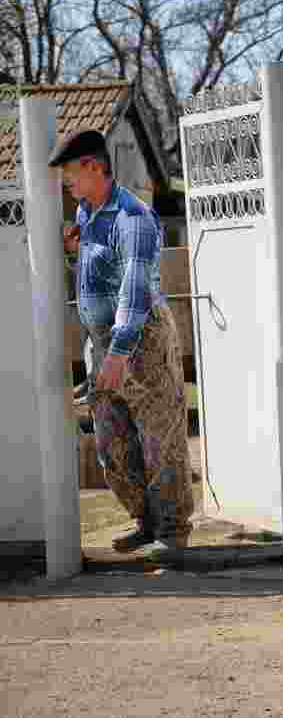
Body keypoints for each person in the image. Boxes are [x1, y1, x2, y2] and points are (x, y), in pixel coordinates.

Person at [52, 130, 193, 557]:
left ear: (95, 168)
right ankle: (145, 522)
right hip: (103, 342)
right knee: (113, 440)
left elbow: (133, 291)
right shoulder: (87, 213)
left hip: (141, 339)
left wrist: (118, 353)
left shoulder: (134, 218)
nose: (67, 184)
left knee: (159, 438)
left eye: (72, 175)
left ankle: (171, 534)